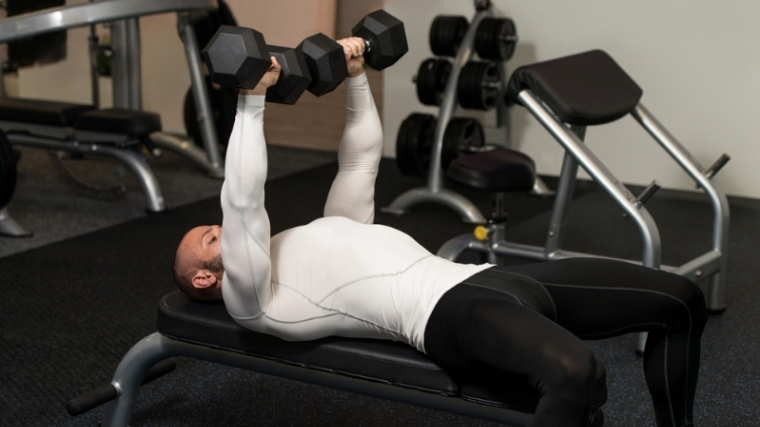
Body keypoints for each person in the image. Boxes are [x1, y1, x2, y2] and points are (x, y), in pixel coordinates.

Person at [173, 37, 707, 427]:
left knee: (681, 299)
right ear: (204, 279)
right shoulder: (252, 299)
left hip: (496, 280)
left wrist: (357, 77)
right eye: (210, 238)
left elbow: (359, 163)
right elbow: (244, 202)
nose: (221, 230)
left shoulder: (319, 232)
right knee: (577, 375)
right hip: (447, 316)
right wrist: (251, 100)